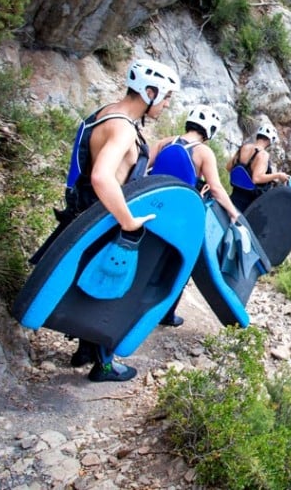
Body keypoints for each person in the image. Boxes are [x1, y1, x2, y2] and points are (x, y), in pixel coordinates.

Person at [62, 58, 179, 382]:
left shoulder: (106, 114)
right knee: (114, 290)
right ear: (150, 92)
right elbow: (102, 177)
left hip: (86, 214)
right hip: (106, 220)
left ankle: (85, 350)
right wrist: (128, 221)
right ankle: (104, 365)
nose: (168, 104)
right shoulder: (124, 128)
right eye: (167, 97)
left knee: (92, 286)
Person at [148, 104, 241, 326]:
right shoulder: (204, 152)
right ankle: (166, 314)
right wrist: (233, 212)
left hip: (153, 206)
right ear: (210, 130)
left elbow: (143, 167)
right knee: (182, 263)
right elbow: (215, 188)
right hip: (180, 215)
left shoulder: (165, 142)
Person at [225, 122, 291, 214]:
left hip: (233, 196)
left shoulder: (244, 147)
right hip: (247, 204)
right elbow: (256, 178)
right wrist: (278, 175)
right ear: (270, 140)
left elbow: (228, 167)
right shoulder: (263, 155)